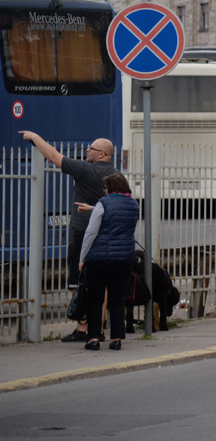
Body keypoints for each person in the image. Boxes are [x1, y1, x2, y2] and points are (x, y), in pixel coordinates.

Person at [19, 131, 116, 342]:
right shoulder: (117, 176)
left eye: (91, 148)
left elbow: (54, 157)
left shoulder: (87, 170)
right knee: (102, 283)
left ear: (101, 154)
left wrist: (35, 138)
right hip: (107, 236)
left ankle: (82, 330)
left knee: (79, 281)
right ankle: (97, 329)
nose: (87, 150)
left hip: (83, 234)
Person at [78, 172, 139, 351]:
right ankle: (117, 339)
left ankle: (94, 339)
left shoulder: (103, 203)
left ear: (110, 188)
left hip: (100, 258)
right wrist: (93, 208)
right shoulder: (133, 204)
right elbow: (118, 219)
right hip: (124, 258)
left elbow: (91, 233)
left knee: (96, 298)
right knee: (117, 298)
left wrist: (82, 258)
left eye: (106, 187)